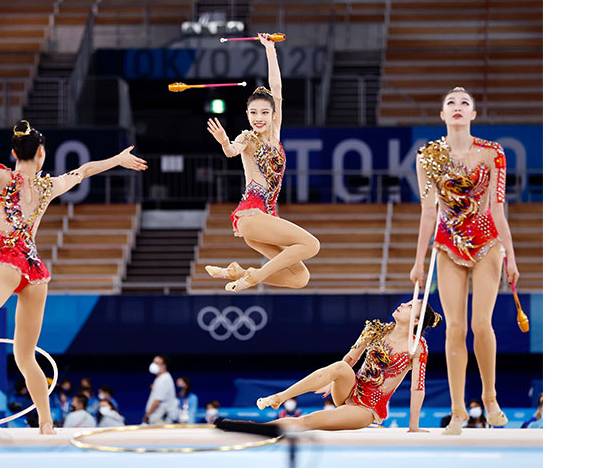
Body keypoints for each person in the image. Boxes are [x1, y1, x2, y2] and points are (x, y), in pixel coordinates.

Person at [0, 121, 146, 434]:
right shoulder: (49, 187)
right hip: (34, 271)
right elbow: (85, 170)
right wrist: (117, 159)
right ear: (42, 154)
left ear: (13, 152)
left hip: (6, 261)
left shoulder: (4, 178)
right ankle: (46, 422)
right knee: (25, 355)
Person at [410, 87, 519, 435]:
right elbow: (428, 213)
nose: (457, 107)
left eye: (464, 103)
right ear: (442, 115)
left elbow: (498, 209)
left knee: (480, 324)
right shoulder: (427, 156)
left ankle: (490, 398)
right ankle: (457, 411)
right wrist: (418, 261)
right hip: (448, 245)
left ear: (473, 114)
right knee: (454, 328)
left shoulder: (493, 153)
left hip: (487, 243)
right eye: (451, 103)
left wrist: (510, 256)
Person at [204, 33, 320, 292]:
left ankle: (239, 272)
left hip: (266, 218)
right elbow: (232, 152)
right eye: (254, 112)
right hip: (251, 216)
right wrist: (224, 142)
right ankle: (253, 279)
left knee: (299, 278)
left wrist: (270, 50)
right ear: (247, 114)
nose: (259, 117)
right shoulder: (247, 138)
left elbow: (276, 89)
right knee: (312, 245)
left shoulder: (275, 133)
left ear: (273, 114)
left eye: (265, 112)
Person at [218, 300, 441, 433]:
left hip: (366, 409)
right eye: (407, 302)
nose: (402, 304)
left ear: (416, 321)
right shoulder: (375, 329)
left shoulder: (418, 347)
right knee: (341, 367)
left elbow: (417, 388)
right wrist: (331, 379)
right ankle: (279, 397)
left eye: (410, 306)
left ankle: (251, 427)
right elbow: (350, 360)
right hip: (350, 388)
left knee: (308, 421)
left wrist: (413, 426)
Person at [143, 355, 178, 424]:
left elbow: (157, 401)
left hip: (160, 420)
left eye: (157, 363)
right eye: (153, 362)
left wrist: (147, 416)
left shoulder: (164, 379)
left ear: (164, 366)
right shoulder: (160, 378)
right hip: (157, 419)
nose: (153, 365)